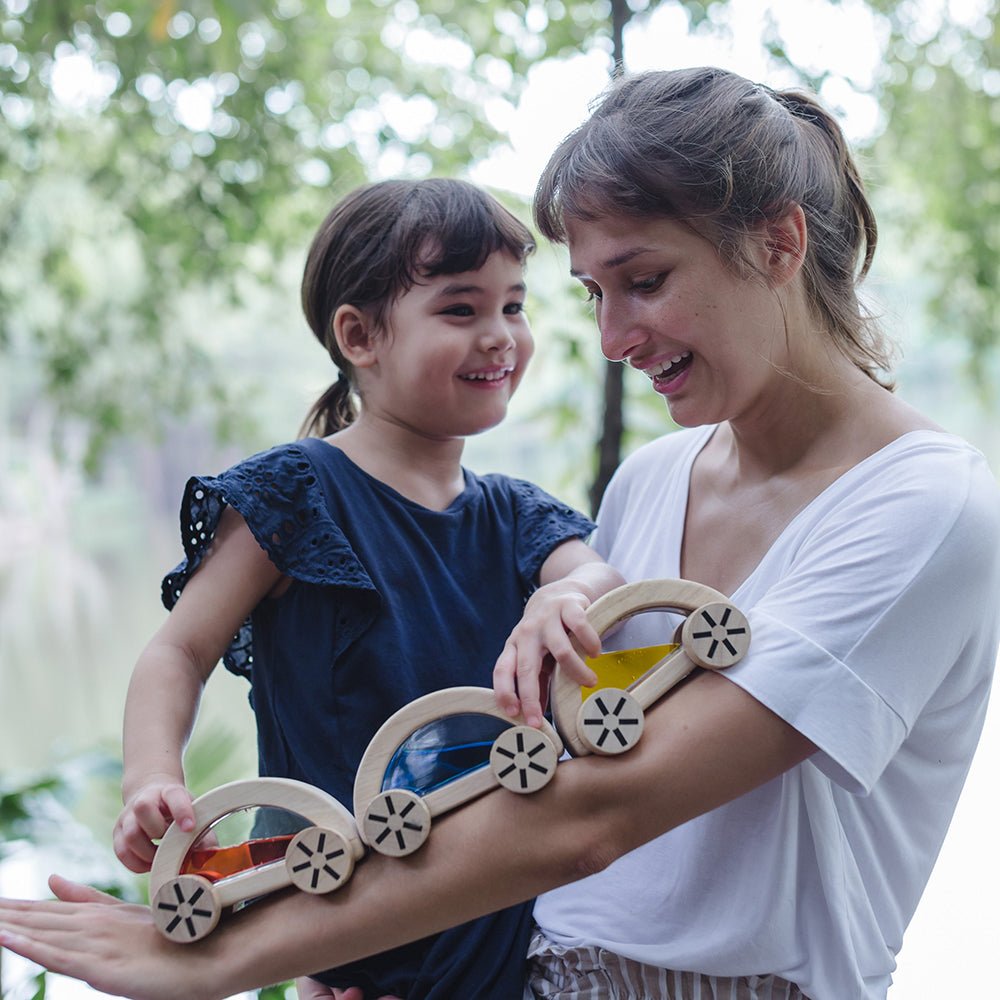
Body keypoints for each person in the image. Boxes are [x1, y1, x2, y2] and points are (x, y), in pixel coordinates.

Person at [2, 66, 998, 1000]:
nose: (610, 340)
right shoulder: (653, 475)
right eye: (593, 294)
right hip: (529, 967)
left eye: (642, 280)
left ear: (777, 244)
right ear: (358, 338)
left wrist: (231, 956)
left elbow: (597, 812)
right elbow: (550, 770)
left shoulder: (922, 505)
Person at [104, 177, 621, 1000]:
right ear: (359, 335)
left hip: (502, 954)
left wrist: (564, 596)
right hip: (343, 940)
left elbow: (592, 573)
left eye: (514, 307)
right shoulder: (296, 496)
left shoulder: (517, 514)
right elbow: (180, 647)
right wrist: (151, 777)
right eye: (461, 310)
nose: (500, 337)